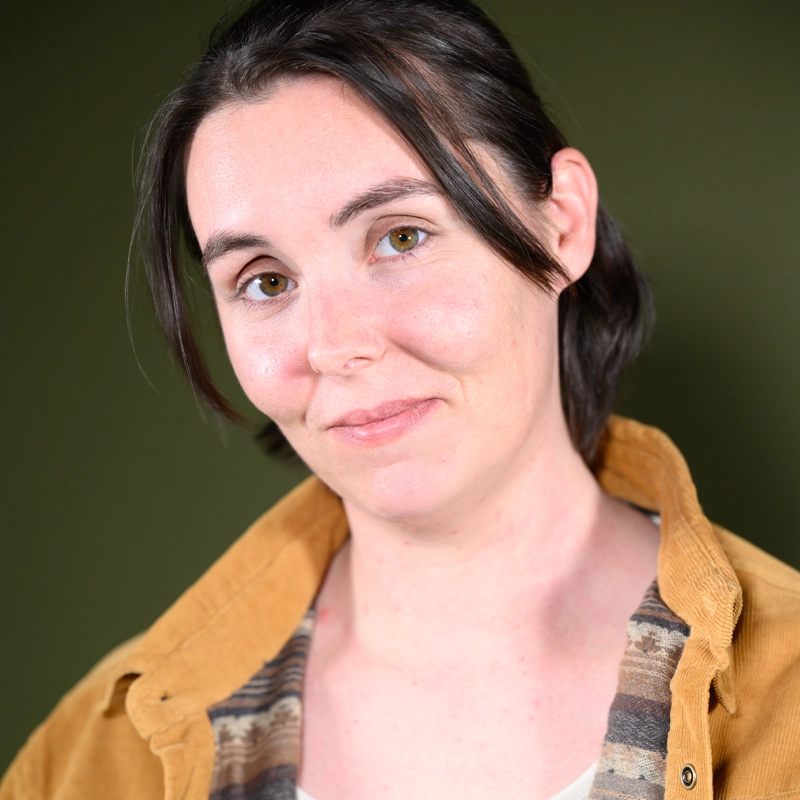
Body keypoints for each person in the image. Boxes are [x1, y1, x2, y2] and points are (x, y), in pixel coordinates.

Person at [2, 1, 799, 799]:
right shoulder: (90, 762)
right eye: (266, 282)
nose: (336, 345)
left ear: (562, 224)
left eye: (400, 236)